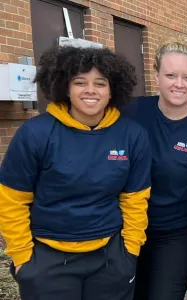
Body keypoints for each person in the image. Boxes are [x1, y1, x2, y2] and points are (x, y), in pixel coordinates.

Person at [0, 46, 151, 300]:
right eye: (80, 82)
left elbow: (135, 199)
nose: (90, 90)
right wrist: (23, 258)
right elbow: (12, 200)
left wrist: (130, 250)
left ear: (112, 89)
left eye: (100, 83)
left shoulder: (132, 135)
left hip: (110, 258)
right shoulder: (35, 133)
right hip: (46, 259)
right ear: (66, 88)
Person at [123, 41, 187, 300]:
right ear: (156, 75)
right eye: (171, 75)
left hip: (176, 235)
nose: (179, 84)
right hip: (127, 228)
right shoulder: (131, 111)